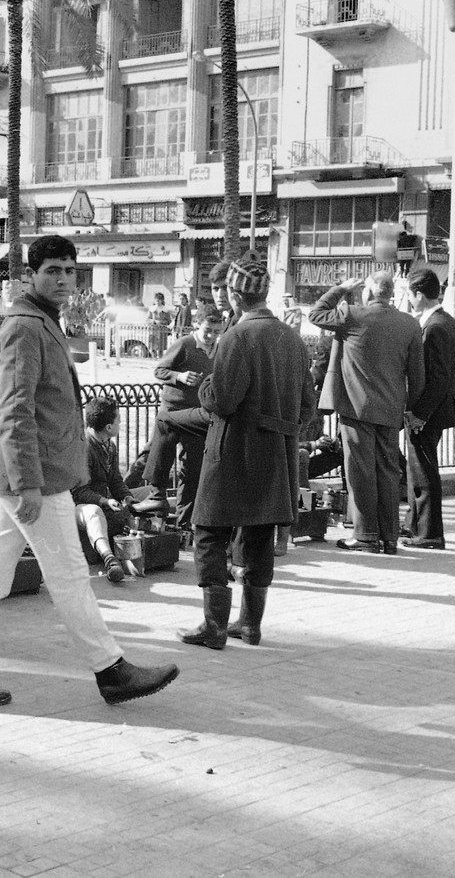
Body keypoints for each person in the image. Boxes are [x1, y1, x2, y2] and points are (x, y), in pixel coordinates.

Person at [0, 235, 179, 708]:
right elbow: (13, 410)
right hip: (34, 478)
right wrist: (26, 483)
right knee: (67, 575)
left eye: (70, 269)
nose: (63, 279)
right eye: (53, 270)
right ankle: (111, 670)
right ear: (31, 275)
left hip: (31, 475)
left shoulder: (41, 322)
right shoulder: (26, 327)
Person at [179, 259, 316, 649]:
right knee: (259, 536)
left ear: (236, 295)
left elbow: (221, 399)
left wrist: (206, 386)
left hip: (233, 451)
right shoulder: (291, 338)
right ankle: (250, 625)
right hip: (277, 455)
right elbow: (308, 407)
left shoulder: (236, 337)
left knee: (208, 532)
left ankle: (215, 626)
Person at [309, 272, 423, 555]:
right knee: (387, 472)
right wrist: (411, 408)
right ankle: (389, 537)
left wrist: (342, 288)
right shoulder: (409, 324)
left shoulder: (352, 315)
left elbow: (316, 313)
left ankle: (365, 535)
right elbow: (418, 375)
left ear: (369, 293)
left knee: (360, 472)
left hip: (357, 409)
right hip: (391, 410)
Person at [141, 308, 223, 525]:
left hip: (196, 415)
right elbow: (159, 370)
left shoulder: (219, 349)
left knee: (192, 467)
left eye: (216, 331)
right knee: (158, 455)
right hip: (173, 410)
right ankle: (146, 496)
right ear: (197, 325)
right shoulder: (185, 344)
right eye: (207, 330)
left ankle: (184, 521)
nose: (211, 336)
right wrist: (179, 376)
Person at [400, 266, 455, 550]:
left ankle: (428, 533)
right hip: (437, 409)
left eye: (410, 296)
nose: (410, 301)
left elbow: (437, 377)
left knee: (423, 471)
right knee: (419, 469)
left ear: (419, 294)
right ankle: (415, 526)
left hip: (430, 411)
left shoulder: (435, 326)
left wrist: (419, 414)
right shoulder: (444, 321)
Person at [72, 397, 140, 584]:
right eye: (118, 419)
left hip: (102, 502)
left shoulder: (109, 446)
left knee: (145, 496)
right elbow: (78, 492)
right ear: (109, 427)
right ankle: (110, 559)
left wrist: (127, 497)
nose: (120, 423)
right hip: (77, 507)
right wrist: (104, 501)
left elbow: (115, 480)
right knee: (94, 512)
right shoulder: (83, 448)